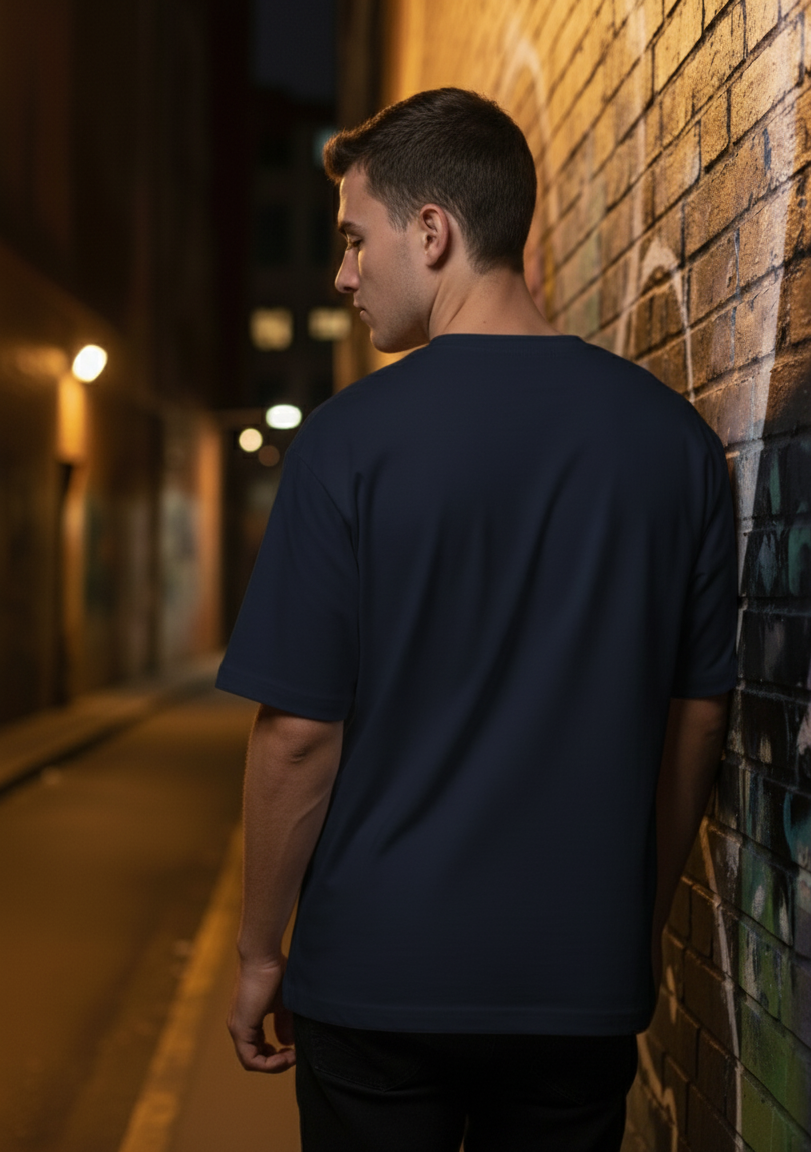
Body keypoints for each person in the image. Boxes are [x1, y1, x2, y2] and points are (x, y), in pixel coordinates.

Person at [216, 87, 737, 1152]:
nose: (343, 275)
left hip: (375, 979)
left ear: (434, 232)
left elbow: (299, 738)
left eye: (355, 241)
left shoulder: (346, 445)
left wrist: (259, 950)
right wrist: (629, 920)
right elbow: (696, 720)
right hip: (574, 986)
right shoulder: (673, 445)